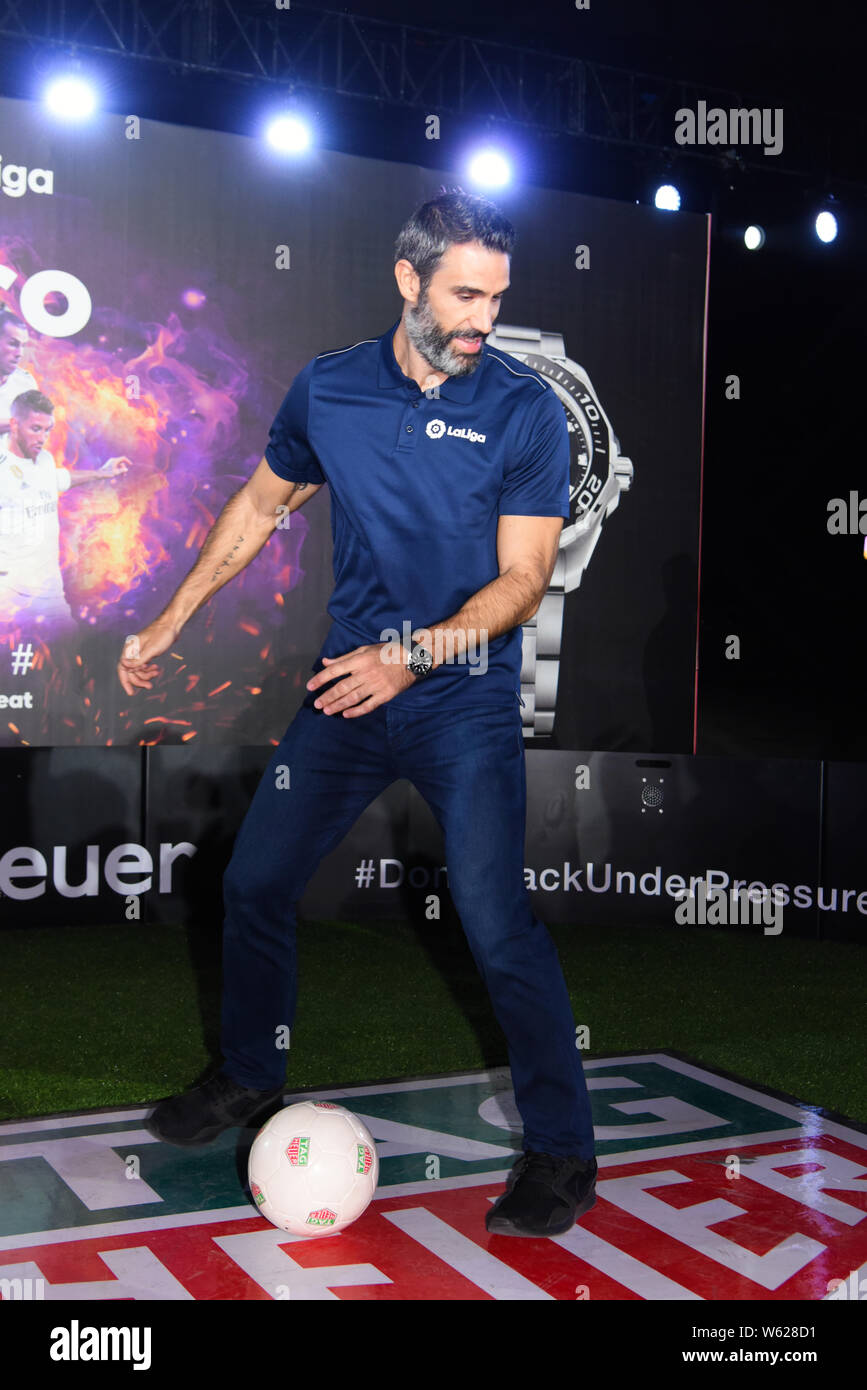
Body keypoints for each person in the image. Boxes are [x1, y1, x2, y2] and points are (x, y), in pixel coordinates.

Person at [118, 189, 597, 1238]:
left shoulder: (522, 408)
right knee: (253, 881)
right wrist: (167, 623)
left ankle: (562, 1148)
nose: (483, 318)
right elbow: (257, 507)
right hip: (348, 689)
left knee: (494, 921)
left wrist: (413, 655)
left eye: (497, 297)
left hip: (458, 698)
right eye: (465, 295)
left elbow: (523, 582)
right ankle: (250, 1075)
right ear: (407, 279)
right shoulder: (330, 388)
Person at [0, 390, 131, 630]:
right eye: (35, 429)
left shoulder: (45, 460)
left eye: (47, 430)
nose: (42, 438)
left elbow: (59, 479)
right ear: (15, 425)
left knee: (69, 656)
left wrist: (103, 472)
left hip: (50, 595)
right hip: (9, 598)